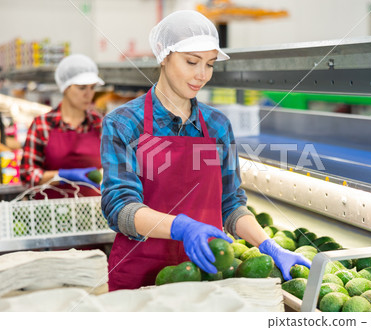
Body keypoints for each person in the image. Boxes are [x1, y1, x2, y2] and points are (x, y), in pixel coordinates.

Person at [101, 10, 310, 291]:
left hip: (208, 273)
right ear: (163, 57)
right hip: (140, 277)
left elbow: (231, 204)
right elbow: (120, 208)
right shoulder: (124, 123)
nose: (202, 74)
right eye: (191, 62)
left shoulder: (218, 125)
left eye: (210, 64)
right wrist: (182, 228)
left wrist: (267, 244)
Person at [20, 54, 104, 199]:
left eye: (92, 88)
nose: (89, 95)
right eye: (82, 88)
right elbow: (27, 175)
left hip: (92, 212)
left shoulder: (100, 124)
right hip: (49, 214)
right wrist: (61, 176)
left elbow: (115, 169)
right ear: (65, 88)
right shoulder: (42, 125)